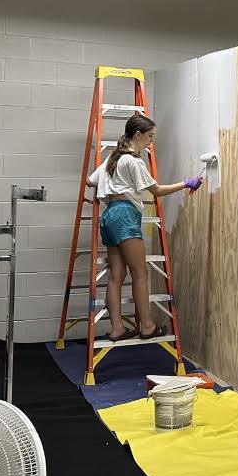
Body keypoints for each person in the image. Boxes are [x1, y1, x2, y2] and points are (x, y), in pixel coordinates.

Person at [87, 114, 203, 341]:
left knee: (116, 275)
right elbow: (156, 190)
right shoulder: (133, 161)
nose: (151, 141)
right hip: (125, 215)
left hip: (109, 216)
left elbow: (91, 181)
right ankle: (147, 327)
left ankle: (117, 328)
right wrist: (186, 183)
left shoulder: (113, 158)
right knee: (140, 273)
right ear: (138, 134)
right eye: (150, 136)